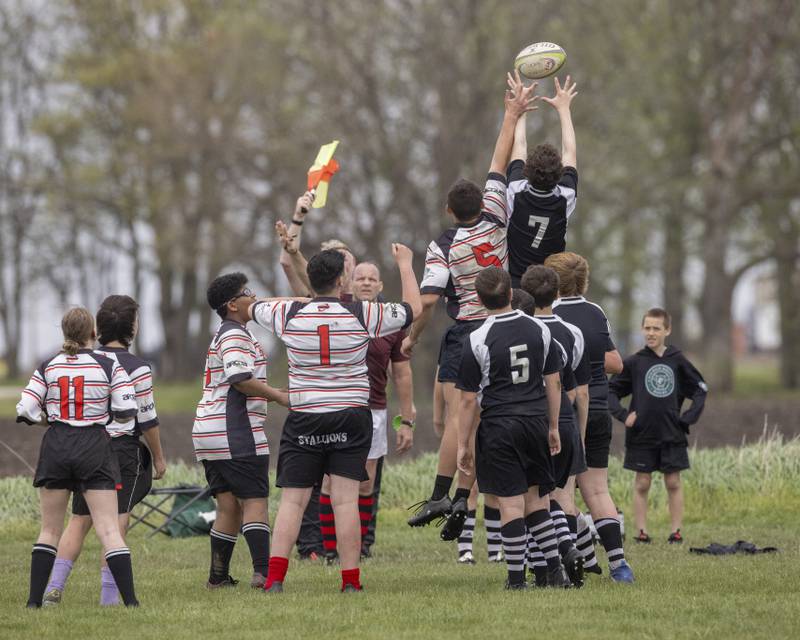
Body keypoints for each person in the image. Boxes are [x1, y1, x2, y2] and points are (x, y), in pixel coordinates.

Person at [403, 72, 538, 538]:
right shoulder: (499, 212)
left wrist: (412, 336)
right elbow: (500, 160)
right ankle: (461, 497)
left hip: (466, 334)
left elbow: (427, 301)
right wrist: (512, 112)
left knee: (462, 420)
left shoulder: (443, 245)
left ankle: (448, 493)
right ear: (483, 200)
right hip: (504, 326)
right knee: (491, 418)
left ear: (448, 210)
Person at [252, 245, 421, 593]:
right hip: (350, 415)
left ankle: (274, 581)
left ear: (309, 281)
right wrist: (405, 265)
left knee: (292, 502)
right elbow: (414, 309)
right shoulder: (364, 312)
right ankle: (350, 582)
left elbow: (251, 307)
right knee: (346, 501)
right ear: (342, 279)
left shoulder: (286, 312)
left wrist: (297, 296)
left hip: (305, 416)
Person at [42, 295, 167, 607]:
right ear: (132, 328)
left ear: (98, 328)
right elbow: (147, 418)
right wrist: (159, 458)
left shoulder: (88, 361)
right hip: (121, 451)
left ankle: (53, 589)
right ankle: (109, 598)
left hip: (87, 447)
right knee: (117, 521)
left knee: (79, 521)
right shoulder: (137, 367)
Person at [455, 267, 570, 590]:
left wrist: (463, 445)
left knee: (510, 503)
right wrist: (553, 425)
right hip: (534, 420)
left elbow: (466, 401)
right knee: (536, 500)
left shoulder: (476, 338)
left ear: (479, 300)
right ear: (510, 294)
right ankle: (553, 572)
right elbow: (554, 382)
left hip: (499, 425)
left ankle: (517, 579)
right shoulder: (539, 330)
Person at [16, 307, 140, 608]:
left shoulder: (48, 365)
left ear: (64, 333)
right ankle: (131, 603)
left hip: (57, 444)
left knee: (49, 529)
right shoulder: (108, 364)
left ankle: (34, 603)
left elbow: (25, 409)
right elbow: (127, 406)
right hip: (95, 445)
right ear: (93, 334)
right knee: (109, 529)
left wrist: (50, 420)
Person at [193, 273, 289, 590]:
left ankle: (217, 577)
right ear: (233, 304)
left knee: (228, 505)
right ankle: (263, 574)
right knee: (255, 500)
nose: (253, 297)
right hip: (234, 430)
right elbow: (240, 379)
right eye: (247, 293)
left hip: (209, 431)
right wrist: (279, 396)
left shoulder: (226, 333)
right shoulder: (235, 335)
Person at [319, 261, 416, 559]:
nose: (365, 283)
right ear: (348, 282)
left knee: (366, 480)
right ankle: (330, 549)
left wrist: (406, 421)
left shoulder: (391, 321)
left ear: (380, 286)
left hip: (373, 409)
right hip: (336, 405)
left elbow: (401, 373)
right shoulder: (337, 311)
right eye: (359, 277)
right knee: (330, 479)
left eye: (372, 279)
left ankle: (360, 547)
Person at [546, 251, 633, 583]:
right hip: (599, 407)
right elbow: (616, 362)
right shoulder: (596, 312)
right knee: (598, 490)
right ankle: (619, 564)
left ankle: (571, 566)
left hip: (567, 411)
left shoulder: (548, 314)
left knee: (562, 492)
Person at [608, 308, 707, 543]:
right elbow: (611, 390)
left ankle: (676, 531)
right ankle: (642, 531)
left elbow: (700, 388)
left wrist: (688, 417)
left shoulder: (678, 360)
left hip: (672, 433)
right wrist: (623, 415)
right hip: (642, 434)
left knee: (673, 481)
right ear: (642, 329)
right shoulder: (634, 362)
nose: (651, 333)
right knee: (642, 482)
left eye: (656, 328)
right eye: (647, 328)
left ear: (667, 330)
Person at [519, 267, 589, 587]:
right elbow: (573, 389)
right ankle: (569, 556)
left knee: (533, 499)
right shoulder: (571, 333)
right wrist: (577, 429)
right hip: (567, 421)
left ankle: (549, 564)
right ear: (556, 293)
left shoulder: (525, 334)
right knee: (561, 497)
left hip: (538, 422)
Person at [505, 76, 578, 286]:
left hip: (517, 284)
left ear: (527, 170)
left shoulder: (515, 191)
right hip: (548, 287)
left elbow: (519, 143)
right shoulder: (565, 197)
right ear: (559, 174)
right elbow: (570, 151)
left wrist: (521, 108)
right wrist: (564, 109)